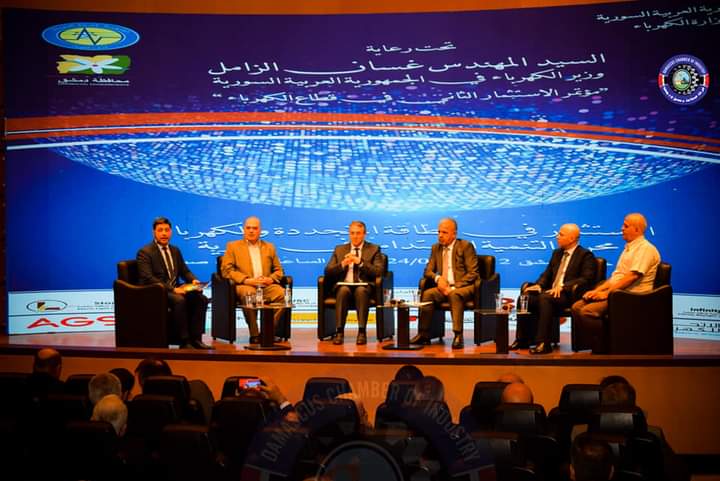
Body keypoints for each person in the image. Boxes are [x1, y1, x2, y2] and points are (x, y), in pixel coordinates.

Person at [571, 213, 660, 339]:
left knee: (587, 311)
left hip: (632, 296)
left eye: (626, 226)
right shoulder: (628, 248)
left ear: (637, 229)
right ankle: (597, 343)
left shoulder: (645, 249)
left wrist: (607, 293)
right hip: (619, 293)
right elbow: (615, 277)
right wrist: (597, 291)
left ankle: (607, 344)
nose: (622, 228)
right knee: (576, 307)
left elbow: (632, 277)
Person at [512, 223, 596, 354]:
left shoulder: (585, 255)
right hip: (551, 293)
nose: (557, 236)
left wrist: (563, 287)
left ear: (572, 239)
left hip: (569, 295)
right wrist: (539, 285)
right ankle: (522, 339)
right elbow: (547, 274)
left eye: (561, 234)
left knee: (545, 298)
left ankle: (543, 343)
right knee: (525, 297)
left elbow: (586, 278)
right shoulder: (557, 253)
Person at [136, 216, 211, 349]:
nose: (164, 233)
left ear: (171, 232)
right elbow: (148, 278)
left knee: (201, 299)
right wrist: (173, 289)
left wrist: (193, 280)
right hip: (155, 291)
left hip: (175, 289)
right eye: (160, 230)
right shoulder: (145, 252)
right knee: (179, 300)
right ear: (154, 232)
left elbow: (184, 271)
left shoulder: (175, 250)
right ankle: (184, 341)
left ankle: (196, 338)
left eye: (167, 230)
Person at [410, 218, 478, 349]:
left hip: (465, 287)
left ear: (454, 234)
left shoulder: (465, 246)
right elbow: (427, 271)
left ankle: (458, 335)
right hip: (443, 287)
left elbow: (473, 273)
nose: (440, 235)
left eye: (444, 232)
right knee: (428, 294)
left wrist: (454, 287)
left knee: (454, 295)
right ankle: (424, 334)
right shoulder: (436, 248)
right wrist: (438, 278)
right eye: (439, 232)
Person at [221, 216, 286, 344]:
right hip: (245, 285)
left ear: (260, 230)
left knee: (282, 294)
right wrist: (246, 280)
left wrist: (270, 279)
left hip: (265, 286)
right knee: (249, 293)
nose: (251, 231)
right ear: (244, 229)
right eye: (248, 228)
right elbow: (226, 271)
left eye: (254, 228)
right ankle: (254, 334)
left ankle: (267, 332)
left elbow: (279, 271)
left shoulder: (270, 247)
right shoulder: (233, 246)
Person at [323, 220, 384, 345]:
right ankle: (339, 332)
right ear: (349, 234)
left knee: (360, 291)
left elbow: (379, 272)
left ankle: (362, 332)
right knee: (343, 290)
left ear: (364, 234)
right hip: (344, 285)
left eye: (358, 233)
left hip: (364, 286)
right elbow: (328, 271)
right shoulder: (339, 249)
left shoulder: (374, 249)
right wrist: (342, 264)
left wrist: (360, 262)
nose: (355, 236)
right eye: (352, 233)